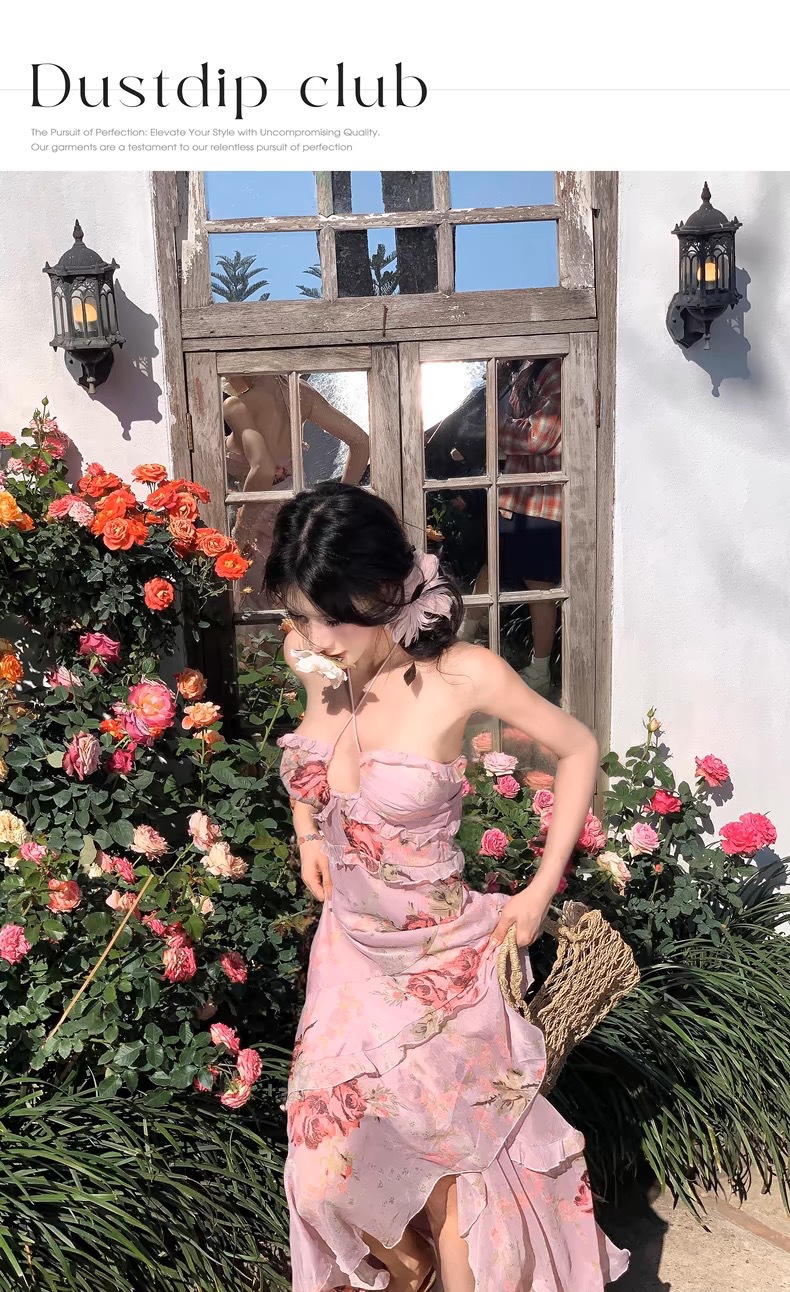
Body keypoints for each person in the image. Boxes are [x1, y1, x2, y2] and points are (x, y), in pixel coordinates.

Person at [263, 481, 629, 1292]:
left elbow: (577, 749)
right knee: (320, 1176)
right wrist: (307, 833)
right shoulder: (317, 662)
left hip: (445, 963)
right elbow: (308, 758)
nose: (316, 638)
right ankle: (410, 1264)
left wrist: (538, 891)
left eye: (332, 617)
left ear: (383, 591)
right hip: (350, 959)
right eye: (302, 616)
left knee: (461, 1173)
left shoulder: (464, 676)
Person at [222, 373, 370, 605]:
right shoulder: (299, 392)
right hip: (295, 515)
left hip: (256, 522)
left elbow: (263, 469)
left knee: (259, 605)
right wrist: (338, 503)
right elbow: (361, 442)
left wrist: (242, 529)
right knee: (296, 599)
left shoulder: (236, 406)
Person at [497, 356, 563, 698]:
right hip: (514, 494)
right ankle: (462, 636)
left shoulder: (554, 369)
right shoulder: (516, 370)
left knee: (539, 587)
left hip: (542, 498)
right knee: (492, 567)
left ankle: (540, 669)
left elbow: (539, 436)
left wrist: (494, 429)